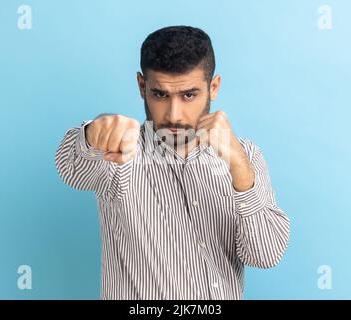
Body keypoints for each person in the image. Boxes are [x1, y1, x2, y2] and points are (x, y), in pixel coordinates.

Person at [55, 25, 290, 299]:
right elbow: (73, 170)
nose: (174, 114)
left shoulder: (246, 157)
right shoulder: (121, 153)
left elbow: (266, 254)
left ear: (213, 87)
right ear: (142, 86)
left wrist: (239, 168)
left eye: (188, 95)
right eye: (160, 95)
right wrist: (91, 136)